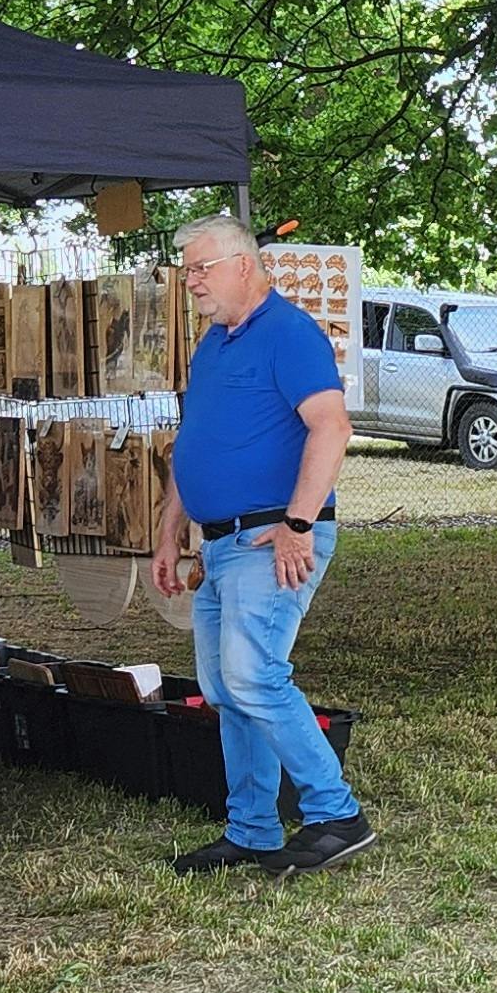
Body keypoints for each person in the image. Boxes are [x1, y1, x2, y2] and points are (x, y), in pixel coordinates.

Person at [153, 214, 376, 869]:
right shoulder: (213, 343)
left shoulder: (289, 333)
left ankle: (336, 812)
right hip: (221, 542)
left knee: (253, 674)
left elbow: (332, 427)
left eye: (201, 267)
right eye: (186, 269)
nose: (190, 280)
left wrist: (299, 523)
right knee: (226, 686)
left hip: (271, 536)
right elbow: (197, 447)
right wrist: (169, 531)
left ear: (243, 265)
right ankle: (252, 828)